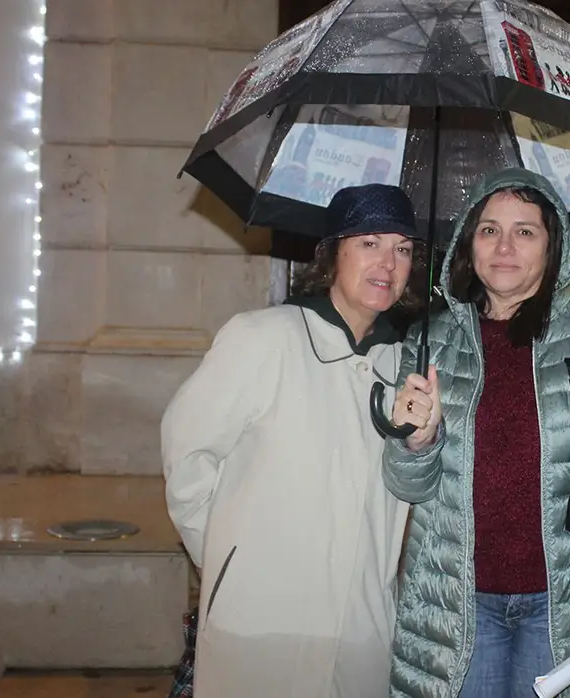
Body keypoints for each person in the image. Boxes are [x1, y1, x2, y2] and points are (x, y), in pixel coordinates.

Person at [382, 168, 570, 697]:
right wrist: (416, 442)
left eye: (525, 231)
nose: (504, 246)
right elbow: (408, 487)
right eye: (489, 230)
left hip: (569, 605)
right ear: (467, 244)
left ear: (554, 248)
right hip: (458, 606)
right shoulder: (429, 341)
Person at [161, 182, 428, 697]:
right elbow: (187, 454)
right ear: (332, 255)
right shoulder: (264, 338)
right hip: (262, 622)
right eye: (369, 243)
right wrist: (227, 561)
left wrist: (421, 441)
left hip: (361, 627)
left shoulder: (406, 367)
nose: (387, 264)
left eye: (403, 249)